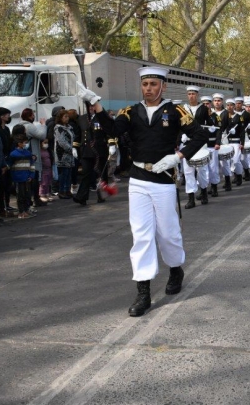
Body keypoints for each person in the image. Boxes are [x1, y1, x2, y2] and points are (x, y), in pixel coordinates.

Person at [80, 66, 209, 317]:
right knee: (141, 235)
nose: (148, 88)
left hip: (163, 180)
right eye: (145, 84)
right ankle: (143, 290)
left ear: (163, 86)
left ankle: (175, 269)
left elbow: (199, 135)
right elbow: (113, 130)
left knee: (168, 233)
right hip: (138, 179)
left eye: (153, 84)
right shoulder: (131, 112)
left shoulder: (176, 111)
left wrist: (178, 156)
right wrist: (96, 106)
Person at [18, 108, 49, 208]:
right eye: (32, 115)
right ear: (29, 116)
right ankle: (35, 199)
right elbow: (42, 135)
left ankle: (30, 200)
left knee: (27, 179)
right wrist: (43, 124)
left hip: (24, 155)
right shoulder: (29, 126)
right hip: (32, 155)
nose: (33, 116)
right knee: (34, 178)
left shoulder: (19, 125)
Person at [8, 131, 35, 218]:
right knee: (20, 195)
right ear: (19, 144)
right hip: (18, 179)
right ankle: (21, 211)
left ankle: (26, 210)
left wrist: (31, 175)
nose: (26, 144)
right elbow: (10, 166)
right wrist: (13, 177)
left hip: (27, 178)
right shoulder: (13, 154)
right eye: (24, 143)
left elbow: (32, 165)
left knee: (27, 195)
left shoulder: (28, 153)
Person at [53, 109, 76, 199]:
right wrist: (70, 149)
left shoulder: (69, 127)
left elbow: (73, 137)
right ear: (60, 118)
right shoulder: (58, 128)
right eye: (65, 117)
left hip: (70, 154)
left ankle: (67, 190)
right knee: (63, 173)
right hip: (62, 154)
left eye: (67, 116)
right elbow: (61, 141)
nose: (67, 118)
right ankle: (62, 191)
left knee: (69, 173)